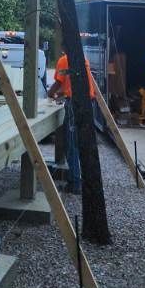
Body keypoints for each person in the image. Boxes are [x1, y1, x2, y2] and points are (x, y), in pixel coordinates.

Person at [48, 49, 95, 194]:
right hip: (88, 103)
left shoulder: (64, 60)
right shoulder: (83, 59)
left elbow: (58, 83)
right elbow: (72, 82)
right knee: (82, 143)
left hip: (75, 105)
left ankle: (75, 183)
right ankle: (85, 180)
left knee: (72, 144)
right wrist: (64, 92)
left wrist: (51, 93)